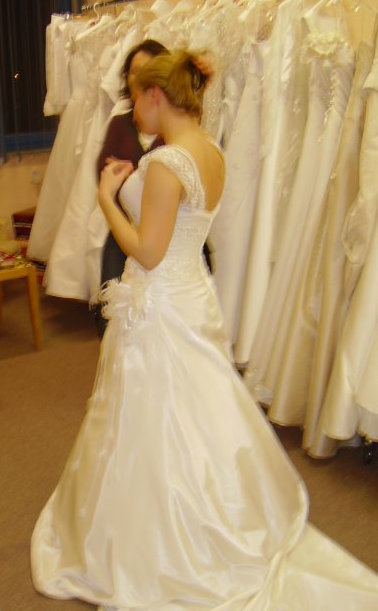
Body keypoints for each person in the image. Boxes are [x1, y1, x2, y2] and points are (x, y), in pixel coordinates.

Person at [31, 51, 378, 610]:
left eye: (136, 99)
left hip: (162, 302)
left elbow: (146, 250)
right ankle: (214, 513)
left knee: (157, 419)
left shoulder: (166, 162)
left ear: (155, 96)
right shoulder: (210, 150)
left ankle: (164, 540)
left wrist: (106, 199)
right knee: (198, 413)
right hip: (190, 292)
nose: (133, 114)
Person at [93, 39, 167, 337]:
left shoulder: (175, 128)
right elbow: (103, 171)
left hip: (166, 239)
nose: (140, 78)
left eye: (148, 70)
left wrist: (130, 174)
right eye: (134, 71)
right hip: (123, 229)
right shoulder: (120, 124)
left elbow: (174, 183)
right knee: (112, 320)